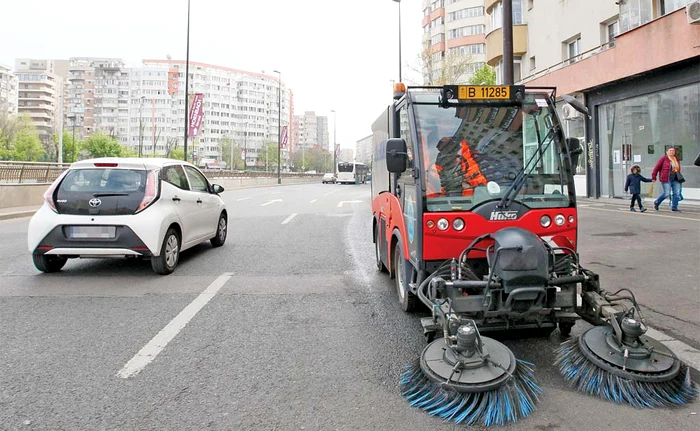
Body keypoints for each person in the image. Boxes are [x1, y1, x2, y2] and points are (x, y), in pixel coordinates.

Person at [651, 146, 682, 212]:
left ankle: (674, 207)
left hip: (676, 178)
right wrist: (654, 176)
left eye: (673, 151)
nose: (672, 152)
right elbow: (656, 168)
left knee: (676, 193)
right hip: (666, 178)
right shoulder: (664, 159)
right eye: (670, 150)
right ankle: (657, 202)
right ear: (667, 152)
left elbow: (678, 169)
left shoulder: (676, 159)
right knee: (667, 193)